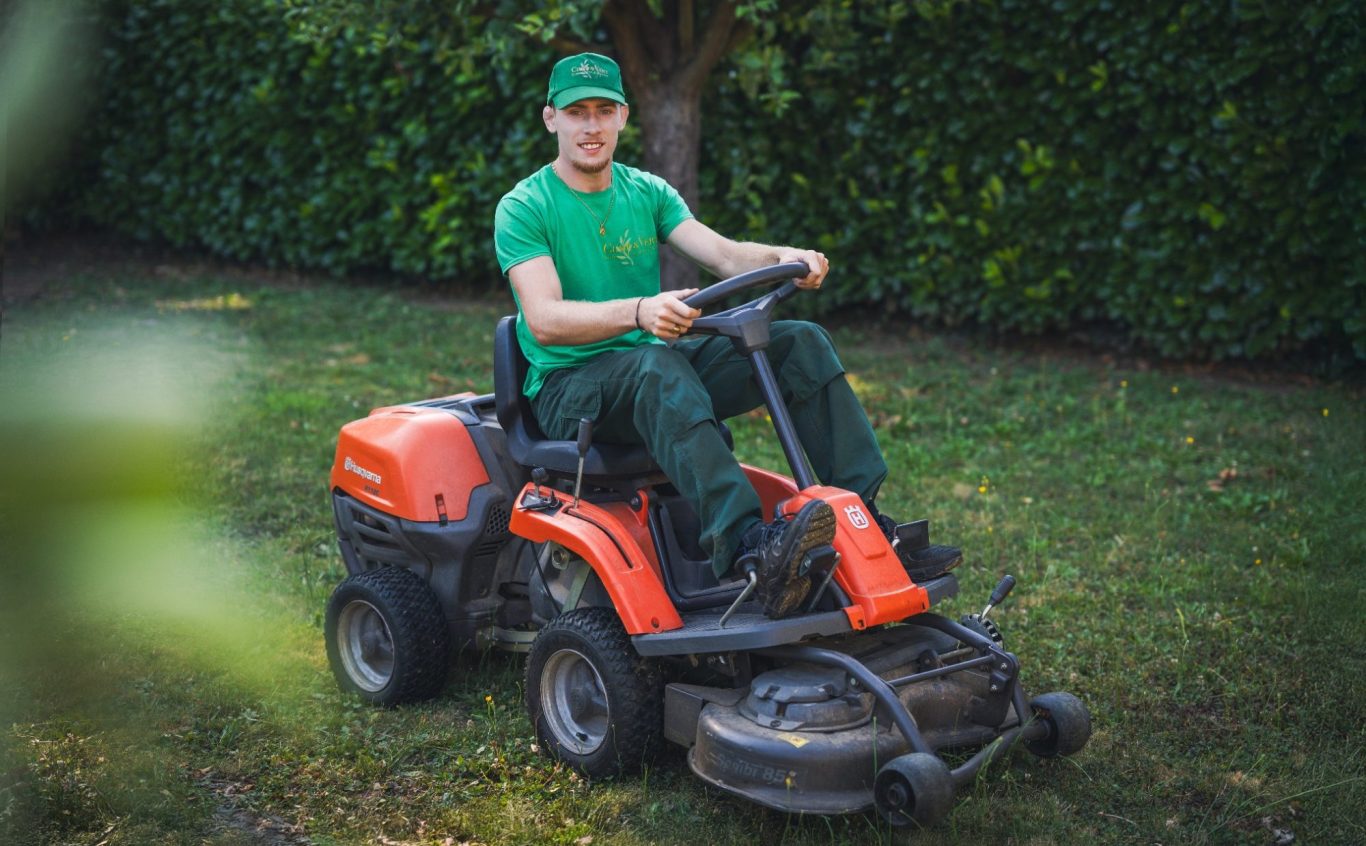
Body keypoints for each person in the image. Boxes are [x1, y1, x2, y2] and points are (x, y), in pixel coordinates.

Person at [494, 53, 959, 618]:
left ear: (622, 117)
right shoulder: (525, 206)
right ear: (552, 119)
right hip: (568, 389)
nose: (590, 126)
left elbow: (725, 255)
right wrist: (639, 311)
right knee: (658, 368)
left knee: (800, 344)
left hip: (650, 368)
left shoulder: (646, 192)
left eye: (603, 111)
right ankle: (749, 548)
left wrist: (783, 256)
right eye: (576, 112)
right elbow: (544, 318)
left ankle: (866, 523)